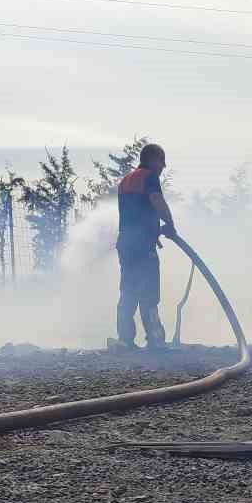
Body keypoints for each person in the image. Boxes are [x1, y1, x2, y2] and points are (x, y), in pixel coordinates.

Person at [115, 143, 176, 350]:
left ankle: (125, 340)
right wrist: (170, 224)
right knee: (149, 293)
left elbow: (134, 213)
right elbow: (156, 200)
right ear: (152, 160)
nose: (164, 165)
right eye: (162, 160)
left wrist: (152, 233)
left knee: (128, 291)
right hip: (142, 248)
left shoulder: (125, 181)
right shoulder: (149, 177)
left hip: (126, 245)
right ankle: (156, 340)